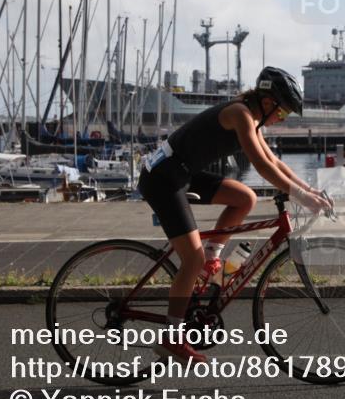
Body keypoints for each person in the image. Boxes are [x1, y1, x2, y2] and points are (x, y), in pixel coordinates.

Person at [138, 67, 332, 362]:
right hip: (163, 178)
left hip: (183, 172)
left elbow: (274, 161)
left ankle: (212, 258)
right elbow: (261, 166)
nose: (284, 118)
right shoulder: (240, 114)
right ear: (268, 103)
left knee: (245, 198)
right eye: (284, 112)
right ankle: (171, 337)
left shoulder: (252, 119)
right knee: (192, 258)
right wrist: (302, 197)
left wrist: (311, 191)